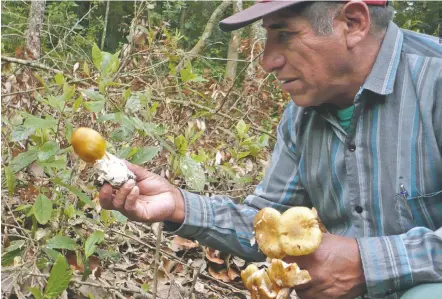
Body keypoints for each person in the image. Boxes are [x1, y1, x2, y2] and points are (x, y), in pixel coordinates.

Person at [99, 1, 442, 298]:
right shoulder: (303, 115)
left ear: (353, 23)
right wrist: (178, 206)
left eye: (285, 35)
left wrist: (368, 264)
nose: (267, 61)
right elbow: (266, 224)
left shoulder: (434, 82)